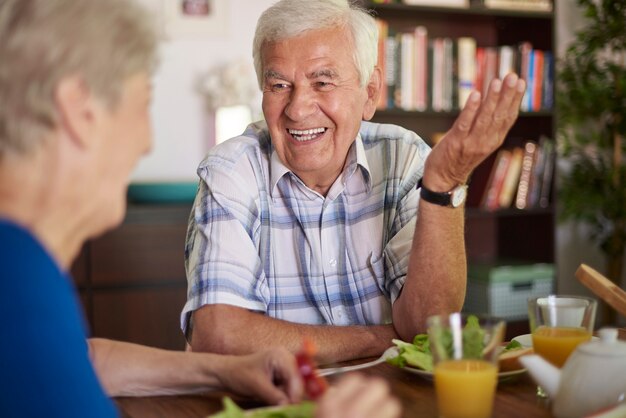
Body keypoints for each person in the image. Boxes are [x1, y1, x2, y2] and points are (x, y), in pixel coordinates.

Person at [0, 1, 401, 417]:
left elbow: (83, 360)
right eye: (143, 104)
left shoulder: (21, 267)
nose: (147, 142)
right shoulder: (17, 289)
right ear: (78, 110)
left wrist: (223, 372)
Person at [183, 0, 526, 364]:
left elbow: (428, 327)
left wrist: (444, 184)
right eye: (280, 84)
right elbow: (219, 335)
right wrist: (378, 338)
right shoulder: (232, 171)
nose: (298, 109)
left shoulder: (403, 158)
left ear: (370, 92)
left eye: (323, 82)